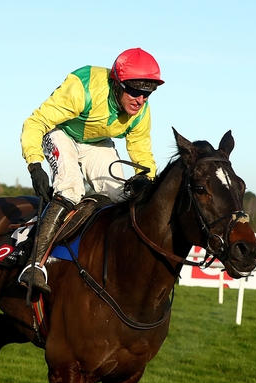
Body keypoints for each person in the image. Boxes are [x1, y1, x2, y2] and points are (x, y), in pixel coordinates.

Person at [18, 48, 164, 294]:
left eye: (147, 93)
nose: (140, 100)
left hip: (97, 143)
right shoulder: (83, 88)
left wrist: (146, 179)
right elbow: (36, 122)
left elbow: (141, 150)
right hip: (61, 132)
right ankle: (34, 264)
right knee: (71, 189)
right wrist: (34, 164)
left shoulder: (141, 111)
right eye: (134, 91)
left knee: (123, 197)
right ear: (116, 83)